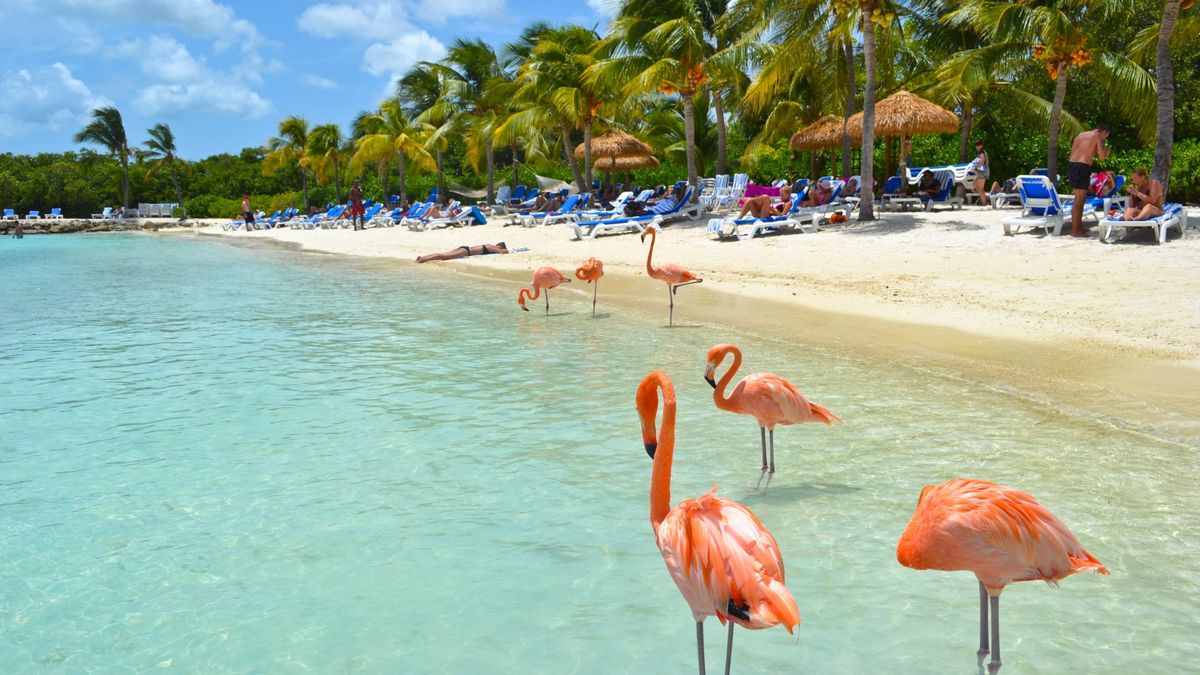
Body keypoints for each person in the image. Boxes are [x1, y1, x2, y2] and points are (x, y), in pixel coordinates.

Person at [1067, 123, 1111, 236]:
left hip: (1072, 166)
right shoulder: (1098, 137)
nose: (1104, 138)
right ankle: (1075, 231)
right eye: (1106, 136)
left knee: (1079, 199)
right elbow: (1102, 158)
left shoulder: (1081, 135)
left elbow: (1075, 152)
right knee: (1079, 201)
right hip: (1082, 167)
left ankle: (1079, 227)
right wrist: (1107, 151)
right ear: (1105, 132)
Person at [415, 242, 509, 263]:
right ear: (500, 246)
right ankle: (423, 259)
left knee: (443, 254)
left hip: (464, 248)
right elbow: (504, 252)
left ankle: (423, 257)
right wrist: (504, 249)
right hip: (465, 252)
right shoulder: (493, 247)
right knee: (443, 256)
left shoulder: (489, 245)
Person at [970, 140, 990, 206]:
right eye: (977, 145)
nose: (978, 146)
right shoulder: (982, 152)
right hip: (982, 172)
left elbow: (982, 161)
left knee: (980, 188)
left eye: (979, 145)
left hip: (982, 172)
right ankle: (984, 199)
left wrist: (975, 167)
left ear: (982, 145)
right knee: (975, 185)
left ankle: (984, 202)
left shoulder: (982, 152)